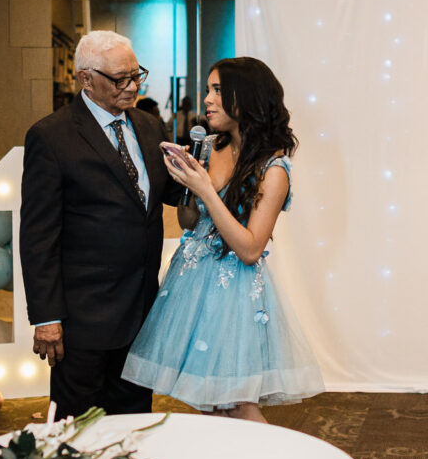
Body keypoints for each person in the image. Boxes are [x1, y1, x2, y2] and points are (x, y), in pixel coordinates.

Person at [122, 57, 324, 422]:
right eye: (207, 90)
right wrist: (187, 184)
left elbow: (250, 249)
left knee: (237, 403)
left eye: (217, 90)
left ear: (245, 98)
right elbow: (189, 221)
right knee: (208, 400)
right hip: (190, 283)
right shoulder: (211, 147)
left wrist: (205, 189)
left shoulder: (273, 169)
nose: (207, 100)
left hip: (233, 293)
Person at [20, 30, 184, 420]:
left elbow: (169, 194)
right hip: (84, 318)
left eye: (136, 75)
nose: (132, 87)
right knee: (77, 426)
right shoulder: (51, 136)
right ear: (86, 79)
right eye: (120, 79)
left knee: (135, 421)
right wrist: (47, 317)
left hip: (141, 309)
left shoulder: (149, 126)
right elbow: (39, 235)